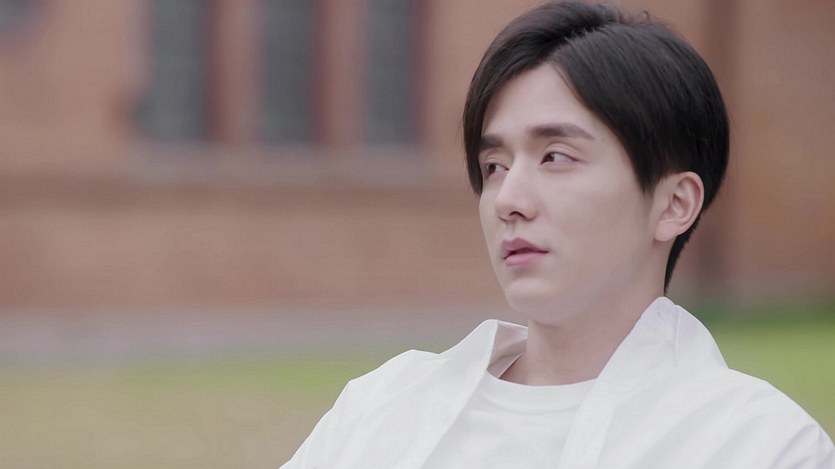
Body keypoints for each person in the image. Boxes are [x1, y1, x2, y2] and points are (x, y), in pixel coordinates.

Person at [281, 2, 835, 467]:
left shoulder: (757, 445)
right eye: (494, 166)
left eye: (556, 157)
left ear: (674, 204)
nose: (510, 200)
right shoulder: (383, 408)